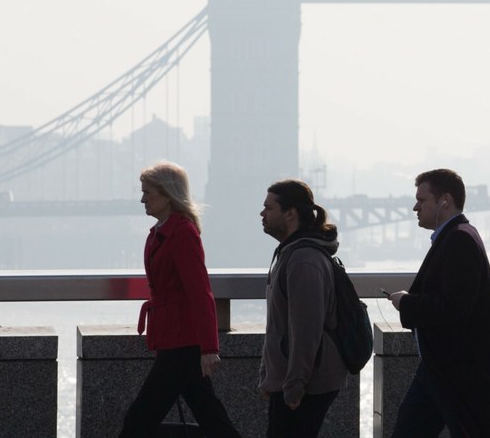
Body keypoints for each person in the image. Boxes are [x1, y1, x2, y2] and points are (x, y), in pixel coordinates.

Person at [387, 168, 490, 438]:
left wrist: (407, 304)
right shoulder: (454, 236)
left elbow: (454, 307)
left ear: (445, 200)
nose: (415, 207)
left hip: (458, 372)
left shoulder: (460, 239)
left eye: (422, 199)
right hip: (438, 368)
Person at [119, 162, 240, 437]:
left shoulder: (182, 233)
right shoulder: (162, 231)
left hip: (182, 342)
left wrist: (210, 347)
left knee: (139, 419)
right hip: (174, 337)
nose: (142, 199)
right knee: (212, 418)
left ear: (167, 194)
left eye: (147, 192)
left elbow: (200, 292)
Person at [258, 178, 348, 437]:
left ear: (290, 213)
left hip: (306, 384)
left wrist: (294, 385)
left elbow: (306, 330)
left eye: (269, 208)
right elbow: (278, 324)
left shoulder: (303, 260)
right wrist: (268, 375)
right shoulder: (289, 253)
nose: (262, 213)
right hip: (288, 379)